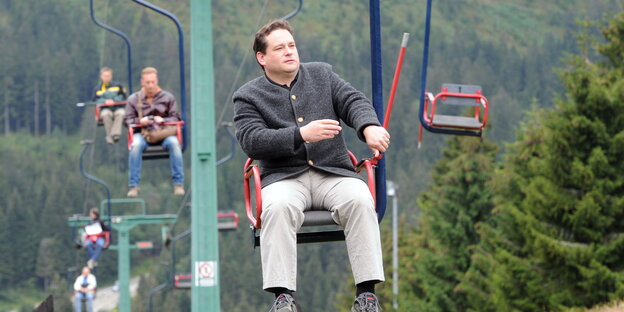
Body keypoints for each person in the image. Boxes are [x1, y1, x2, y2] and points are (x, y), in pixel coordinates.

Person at [233, 20, 390, 312]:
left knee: (359, 199)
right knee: (277, 208)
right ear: (262, 57)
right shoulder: (248, 96)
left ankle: (366, 295)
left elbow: (352, 100)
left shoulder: (322, 75)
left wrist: (368, 126)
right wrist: (300, 134)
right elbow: (252, 141)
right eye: (279, 48)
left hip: (333, 172)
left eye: (291, 45)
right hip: (283, 178)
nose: (289, 52)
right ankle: (283, 298)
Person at [124, 67, 185, 197]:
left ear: (157, 81)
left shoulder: (168, 97)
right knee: (135, 146)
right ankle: (133, 186)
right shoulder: (134, 99)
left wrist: (163, 120)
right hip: (143, 134)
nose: (151, 85)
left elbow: (176, 117)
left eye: (153, 82)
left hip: (163, 133)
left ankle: (178, 183)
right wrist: (141, 121)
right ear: (142, 82)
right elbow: (127, 120)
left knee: (174, 144)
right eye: (148, 82)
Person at [92, 67, 127, 144]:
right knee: (105, 114)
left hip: (117, 107)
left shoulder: (118, 86)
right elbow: (95, 100)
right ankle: (112, 135)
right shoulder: (98, 89)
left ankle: (114, 135)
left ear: (111, 76)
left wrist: (114, 100)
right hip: (105, 109)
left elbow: (123, 96)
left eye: (108, 76)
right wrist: (105, 101)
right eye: (105, 76)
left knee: (121, 113)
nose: (106, 78)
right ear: (101, 77)